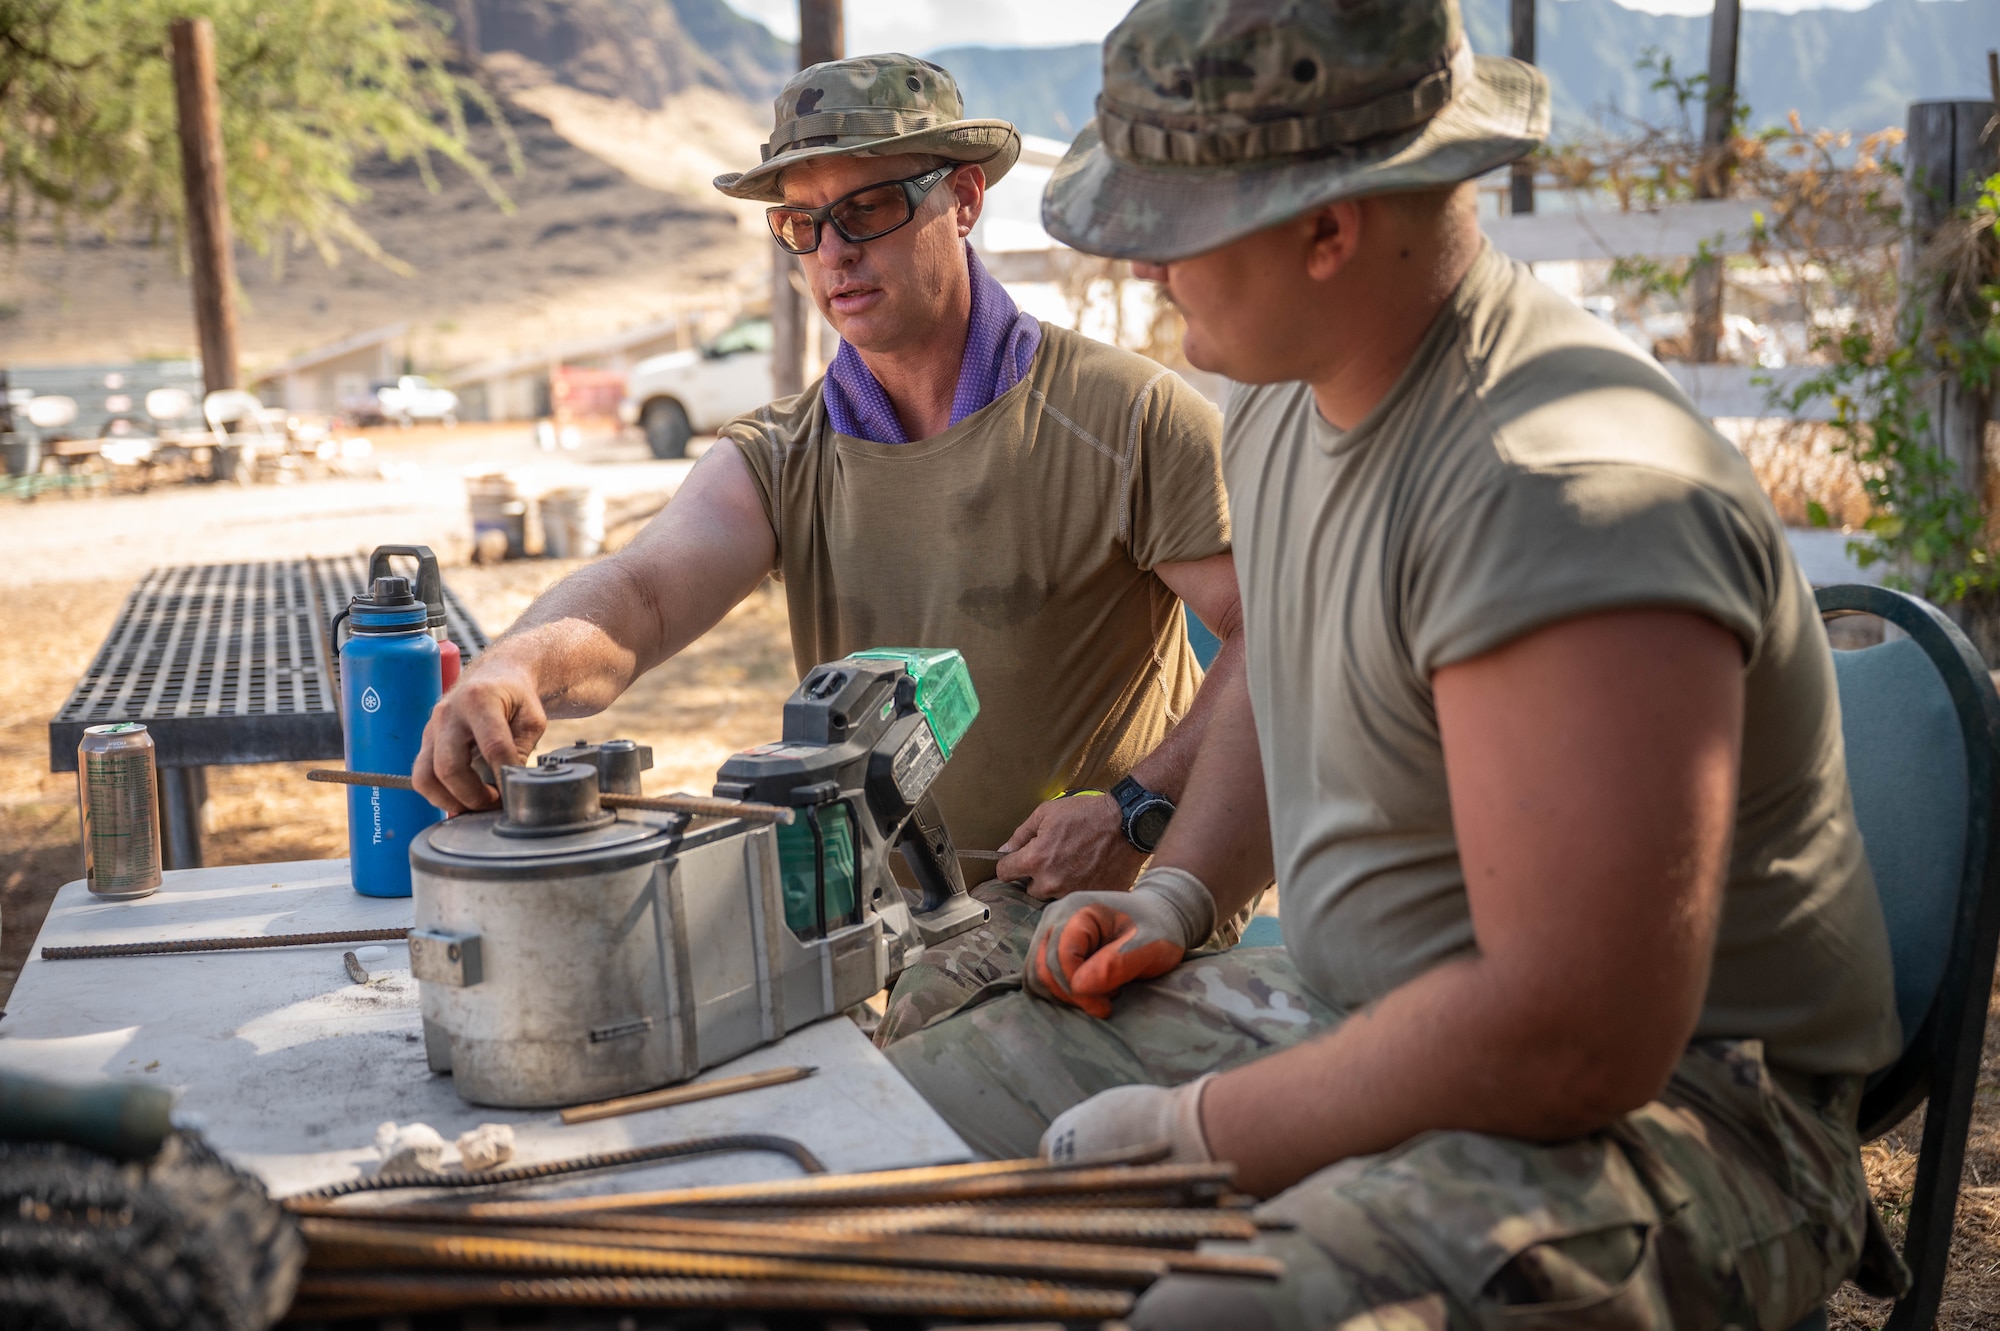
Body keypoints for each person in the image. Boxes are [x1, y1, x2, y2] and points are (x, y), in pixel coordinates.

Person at [883, 3, 1910, 1326]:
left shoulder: (1560, 493)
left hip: (1691, 1110)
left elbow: (1573, 1034)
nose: (1142, 270)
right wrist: (1183, 892)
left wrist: (1209, 1126)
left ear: (1329, 224)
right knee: (895, 1126)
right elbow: (1285, 647)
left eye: (1168, 226)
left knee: (1225, 1314)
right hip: (1368, 999)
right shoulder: (1282, 384)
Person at [412, 53, 1252, 1042]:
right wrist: (516, 666)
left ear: (965, 198)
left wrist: (1132, 807)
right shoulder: (785, 455)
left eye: (867, 211)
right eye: (801, 225)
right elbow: (640, 594)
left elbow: (1274, 634)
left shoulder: (1124, 418)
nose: (833, 255)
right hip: (886, 930)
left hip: (1102, 923)